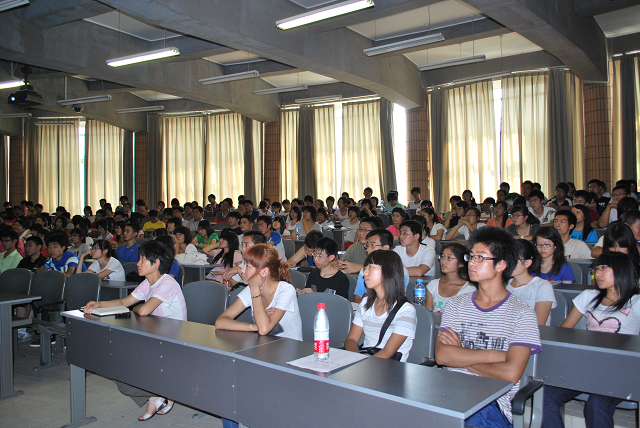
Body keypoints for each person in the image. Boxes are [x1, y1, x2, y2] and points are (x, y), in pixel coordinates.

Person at [435, 227, 540, 427]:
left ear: (501, 265)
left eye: (480, 258)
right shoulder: (455, 305)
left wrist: (461, 355)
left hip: (491, 403)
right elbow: (442, 356)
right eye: (471, 256)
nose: (471, 263)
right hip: (449, 392)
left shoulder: (522, 314)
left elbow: (510, 373)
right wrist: (495, 355)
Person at [83, 240, 186, 421]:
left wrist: (136, 309)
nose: (138, 263)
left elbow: (143, 310)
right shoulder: (147, 283)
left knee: (123, 363)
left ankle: (163, 393)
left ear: (156, 263)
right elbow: (125, 302)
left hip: (172, 342)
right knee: (116, 366)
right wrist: (98, 304)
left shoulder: (167, 283)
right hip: (153, 335)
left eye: (142, 259)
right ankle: (157, 395)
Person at [542, 251, 640, 428]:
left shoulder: (636, 302)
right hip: (587, 366)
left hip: (620, 370)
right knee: (545, 396)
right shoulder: (589, 296)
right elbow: (564, 332)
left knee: (597, 403)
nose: (597, 274)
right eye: (596, 269)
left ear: (621, 269)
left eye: (604, 268)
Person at [216, 244, 302, 339]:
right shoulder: (250, 289)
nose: (242, 270)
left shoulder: (286, 290)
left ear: (264, 272)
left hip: (290, 346)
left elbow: (264, 329)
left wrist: (255, 289)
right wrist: (253, 327)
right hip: (265, 345)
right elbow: (220, 322)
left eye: (247, 266)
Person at [344, 250, 417, 362]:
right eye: (365, 268)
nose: (365, 273)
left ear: (388, 271)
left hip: (389, 368)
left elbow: (388, 352)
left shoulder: (406, 310)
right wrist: (356, 359)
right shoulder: (365, 303)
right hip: (364, 362)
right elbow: (351, 340)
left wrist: (360, 364)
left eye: (371, 267)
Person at [352, 229, 410, 304]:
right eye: (367, 246)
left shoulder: (400, 271)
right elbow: (357, 299)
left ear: (385, 248)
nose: (368, 249)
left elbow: (392, 301)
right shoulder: (365, 271)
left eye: (373, 245)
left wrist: (367, 297)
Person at [507, 240, 556, 325]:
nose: (507, 264)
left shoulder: (542, 286)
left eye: (513, 261)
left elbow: (538, 324)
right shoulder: (503, 285)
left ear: (527, 263)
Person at [426, 243, 475, 313]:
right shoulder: (433, 285)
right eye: (442, 257)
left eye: (449, 258)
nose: (444, 261)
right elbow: (428, 315)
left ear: (461, 263)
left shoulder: (469, 290)